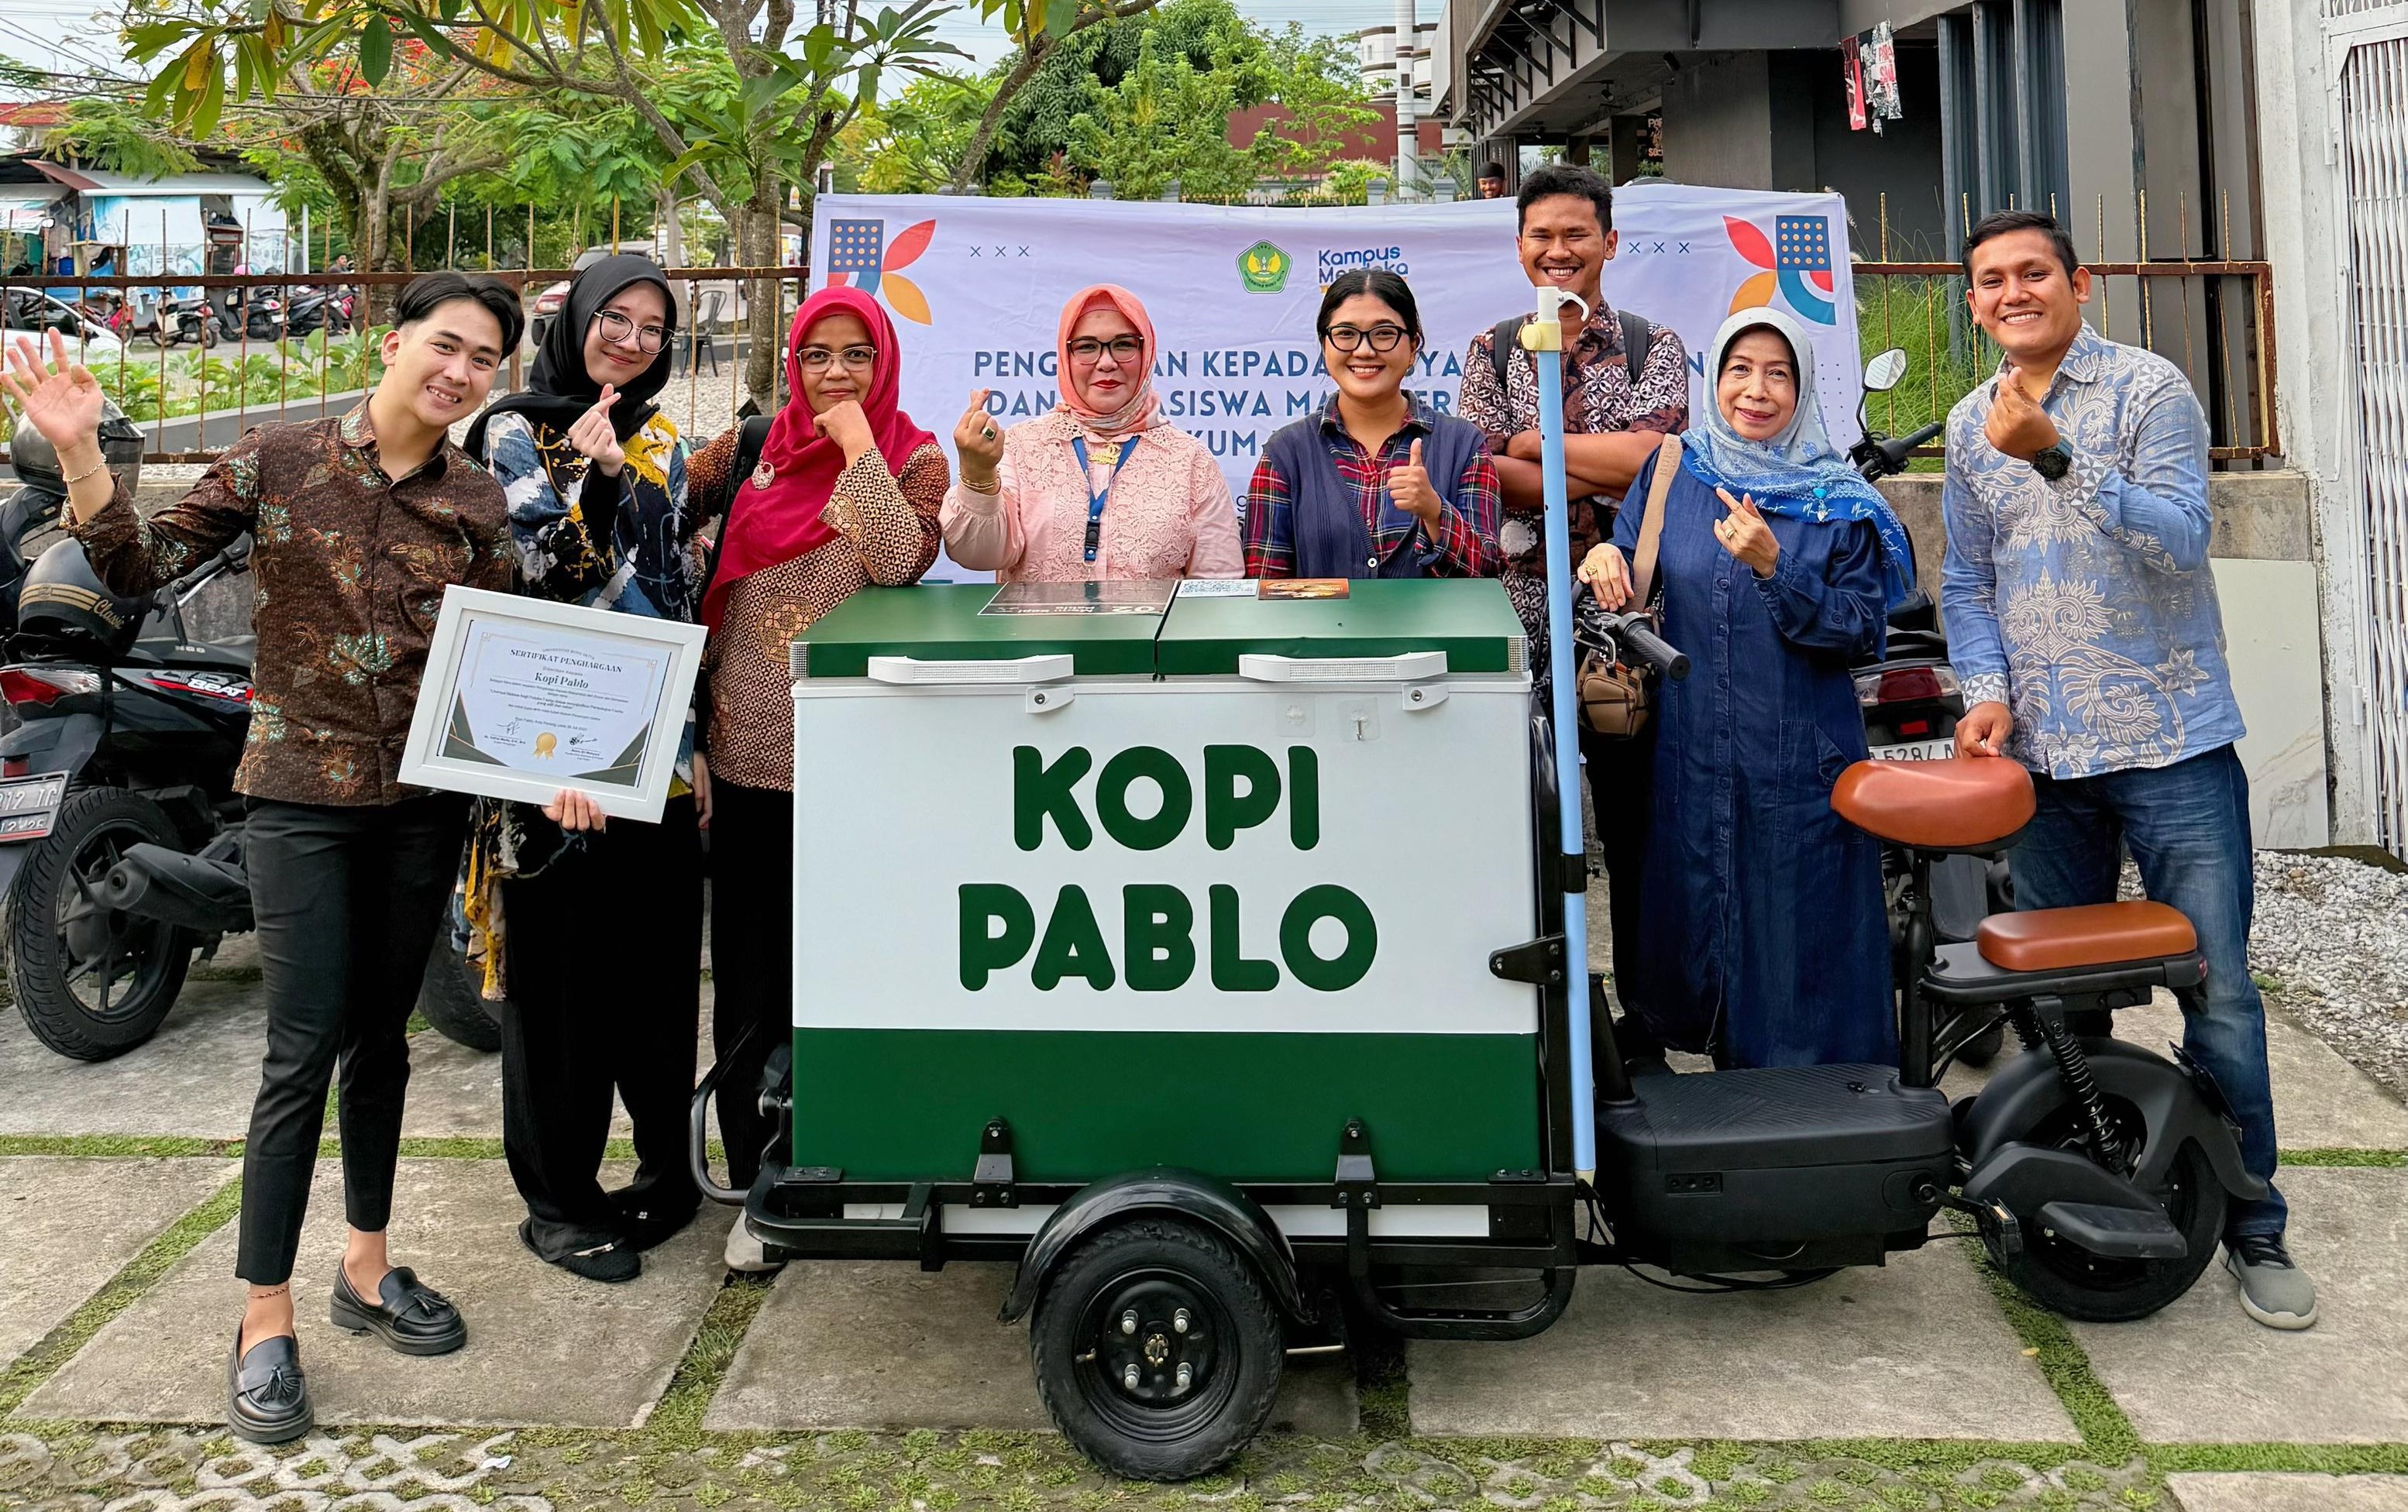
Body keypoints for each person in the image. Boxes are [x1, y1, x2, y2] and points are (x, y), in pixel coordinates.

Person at [2, 273, 525, 1444]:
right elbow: (136, 574)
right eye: (447, 345)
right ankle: (263, 1315)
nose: (459, 371)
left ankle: (367, 1267)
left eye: (484, 358)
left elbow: (506, 664)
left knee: (382, 1044)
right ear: (396, 345)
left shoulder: (481, 497)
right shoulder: (279, 457)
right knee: (300, 1053)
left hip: (423, 806)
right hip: (297, 802)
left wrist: (560, 764)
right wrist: (84, 455)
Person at [1941, 209, 2313, 1331]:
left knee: (2222, 994)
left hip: (2171, 743)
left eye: (2033, 273)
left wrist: (2052, 454)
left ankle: (2256, 1227)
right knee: (2061, 1007)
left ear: (2079, 282)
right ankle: (2096, 1201)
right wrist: (1985, 692)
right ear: (1973, 302)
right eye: (1992, 280)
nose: (2014, 292)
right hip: (2046, 763)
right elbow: (1967, 580)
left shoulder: (2148, 389)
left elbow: (2181, 535)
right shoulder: (1968, 423)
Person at [686, 285, 947, 1272]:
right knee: (753, 976)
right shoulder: (754, 450)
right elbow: (658, 506)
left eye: (856, 355)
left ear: (884, 362)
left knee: (853, 969)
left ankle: (854, 1157)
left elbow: (898, 563)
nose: (835, 373)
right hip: (747, 759)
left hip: (860, 764)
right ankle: (762, 1178)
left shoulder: (911, 457)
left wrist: (856, 447)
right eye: (816, 356)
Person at [461, 254, 708, 1283]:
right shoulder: (511, 431)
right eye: (618, 318)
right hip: (546, 747)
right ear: (578, 320)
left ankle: (666, 1171)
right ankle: (560, 1200)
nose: (634, 341)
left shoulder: (664, 441)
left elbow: (667, 587)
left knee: (654, 978)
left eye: (655, 329)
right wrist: (586, 483)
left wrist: (614, 481)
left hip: (653, 751)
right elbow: (537, 567)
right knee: (559, 990)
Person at [1585, 308, 1911, 1069]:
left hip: (1800, 761)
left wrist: (1775, 566)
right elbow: (1632, 575)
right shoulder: (1679, 469)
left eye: (1777, 373)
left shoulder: (1838, 500)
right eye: (1740, 370)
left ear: (1801, 389)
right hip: (1692, 756)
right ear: (1715, 379)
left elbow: (1863, 631)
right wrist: (1602, 555)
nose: (1755, 391)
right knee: (1697, 922)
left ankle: (1816, 1114)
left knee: (1798, 940)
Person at [1457, 160, 1688, 1020]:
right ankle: (1542, 1020)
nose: (1559, 250)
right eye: (1542, 235)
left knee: (1637, 831)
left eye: (1576, 234)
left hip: (1633, 622)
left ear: (1610, 242)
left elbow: (1654, 462)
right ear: (1521, 248)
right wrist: (1590, 459)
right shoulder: (1491, 348)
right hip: (1522, 615)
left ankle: (1651, 1019)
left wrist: (1534, 443)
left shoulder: (1650, 343)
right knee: (1527, 825)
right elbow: (1487, 477)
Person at [943, 284, 1239, 582]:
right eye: (1087, 346)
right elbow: (978, 555)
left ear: (1146, 352)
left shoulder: (1189, 459)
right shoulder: (1023, 445)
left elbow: (1217, 586)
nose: (1107, 362)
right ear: (1065, 357)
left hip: (1151, 630)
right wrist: (978, 473)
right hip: (1034, 629)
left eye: (1124, 344)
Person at [1243, 270, 1497, 579]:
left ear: (1413, 346)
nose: (1364, 350)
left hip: (1435, 630)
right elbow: (1265, 589)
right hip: (1316, 630)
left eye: (1384, 334)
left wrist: (1435, 512)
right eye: (1346, 334)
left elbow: (1488, 574)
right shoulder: (1285, 453)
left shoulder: (1464, 445)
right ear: (1325, 346)